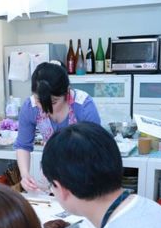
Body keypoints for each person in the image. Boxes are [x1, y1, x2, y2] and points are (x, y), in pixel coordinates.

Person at [13, 61, 101, 192]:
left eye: (53, 102)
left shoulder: (83, 106)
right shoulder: (30, 107)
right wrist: (25, 175)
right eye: (39, 101)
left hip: (82, 170)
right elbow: (23, 145)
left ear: (67, 92)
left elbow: (96, 148)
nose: (45, 108)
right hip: (51, 170)